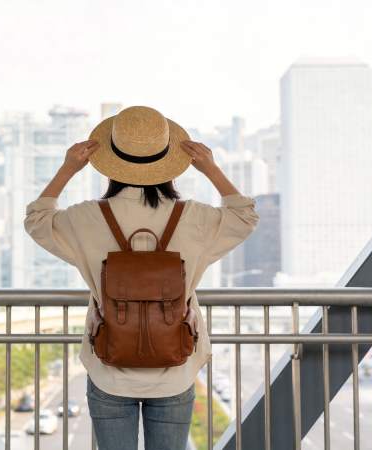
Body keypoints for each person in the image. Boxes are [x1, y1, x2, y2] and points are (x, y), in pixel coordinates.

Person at [24, 106, 259, 450]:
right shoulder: (195, 218)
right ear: (168, 162)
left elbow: (37, 220)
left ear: (111, 164)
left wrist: (67, 168)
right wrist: (211, 168)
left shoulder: (86, 218)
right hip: (174, 367)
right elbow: (244, 215)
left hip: (109, 367)